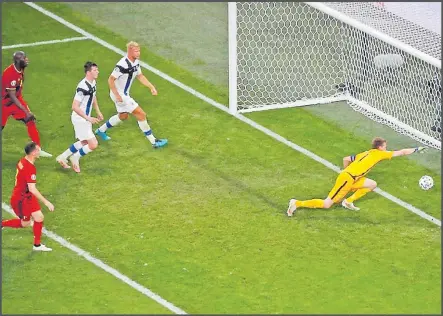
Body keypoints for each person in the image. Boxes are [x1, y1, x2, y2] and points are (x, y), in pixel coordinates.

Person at [287, 137, 427, 216]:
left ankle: (348, 202)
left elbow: (346, 158)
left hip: (352, 177)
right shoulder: (380, 154)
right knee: (327, 204)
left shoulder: (366, 153)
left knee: (372, 184)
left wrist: (348, 171)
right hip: (347, 178)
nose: (386, 148)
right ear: (380, 147)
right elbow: (401, 152)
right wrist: (416, 149)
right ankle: (296, 203)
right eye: (385, 146)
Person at [95, 41, 168, 148]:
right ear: (129, 51)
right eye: (136, 51)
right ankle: (154, 142)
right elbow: (110, 79)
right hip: (120, 95)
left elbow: (140, 76)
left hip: (122, 94)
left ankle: (101, 131)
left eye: (139, 51)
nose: (138, 53)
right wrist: (117, 95)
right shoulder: (122, 64)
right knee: (141, 114)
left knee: (123, 116)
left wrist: (151, 87)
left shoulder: (136, 62)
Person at [2, 142, 55, 251]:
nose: (40, 151)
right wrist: (46, 202)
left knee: (39, 217)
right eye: (38, 150)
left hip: (26, 196)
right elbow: (32, 189)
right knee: (25, 223)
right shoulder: (30, 168)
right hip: (21, 200)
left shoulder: (23, 160)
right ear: (34, 153)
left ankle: (37, 245)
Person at [2, 51, 52, 157]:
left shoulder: (20, 68)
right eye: (24, 59)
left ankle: (37, 149)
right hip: (4, 104)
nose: (27, 60)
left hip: (16, 100)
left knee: (30, 120)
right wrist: (26, 111)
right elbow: (12, 96)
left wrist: (27, 112)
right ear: (17, 61)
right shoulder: (10, 74)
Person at [56, 62, 103, 173]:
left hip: (84, 118)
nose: (98, 72)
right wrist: (88, 118)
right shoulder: (82, 87)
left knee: (85, 142)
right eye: (95, 70)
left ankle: (63, 157)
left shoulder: (93, 82)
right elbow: (74, 106)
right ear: (88, 72)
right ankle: (75, 157)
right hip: (80, 118)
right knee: (93, 144)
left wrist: (98, 111)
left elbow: (93, 96)